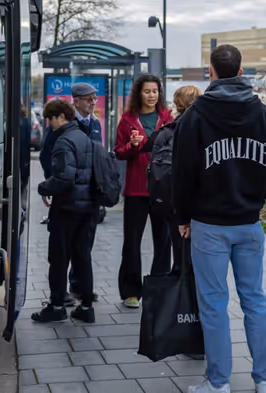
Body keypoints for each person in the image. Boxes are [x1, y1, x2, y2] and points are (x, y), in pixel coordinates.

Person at [173, 45, 266, 393]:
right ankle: (265, 379)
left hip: (209, 225)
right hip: (249, 224)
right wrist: (256, 199)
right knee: (254, 300)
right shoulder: (262, 114)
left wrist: (183, 215)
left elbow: (182, 172)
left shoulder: (194, 116)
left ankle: (218, 383)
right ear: (240, 72)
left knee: (214, 305)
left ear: (211, 72)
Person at [32, 98, 98, 324]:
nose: (49, 124)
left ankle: (57, 306)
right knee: (83, 258)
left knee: (59, 259)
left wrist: (43, 187)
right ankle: (86, 308)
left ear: (61, 117)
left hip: (67, 209)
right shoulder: (84, 137)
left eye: (50, 119)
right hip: (87, 208)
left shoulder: (63, 141)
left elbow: (64, 179)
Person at [114, 73, 174, 308]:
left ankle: (158, 287)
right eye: (147, 91)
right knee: (132, 242)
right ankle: (131, 292)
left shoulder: (168, 118)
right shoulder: (127, 119)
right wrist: (133, 146)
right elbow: (119, 151)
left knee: (163, 241)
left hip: (162, 188)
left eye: (155, 91)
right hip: (136, 189)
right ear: (139, 93)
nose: (151, 95)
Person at [141, 84, 202, 276]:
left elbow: (147, 153)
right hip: (191, 206)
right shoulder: (199, 130)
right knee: (189, 258)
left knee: (166, 252)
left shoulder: (165, 131)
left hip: (163, 202)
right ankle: (187, 300)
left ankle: (167, 299)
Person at [65, 81, 105, 306]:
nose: (92, 102)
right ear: (76, 100)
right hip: (72, 193)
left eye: (94, 98)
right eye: (88, 99)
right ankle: (69, 287)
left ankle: (80, 284)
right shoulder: (67, 124)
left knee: (87, 241)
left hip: (92, 193)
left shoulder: (96, 124)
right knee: (70, 242)